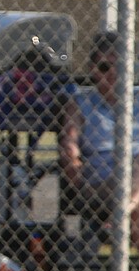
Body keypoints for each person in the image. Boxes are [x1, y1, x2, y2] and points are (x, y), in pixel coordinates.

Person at [58, 30, 139, 252]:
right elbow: (69, 143)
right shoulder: (82, 102)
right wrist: (76, 176)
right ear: (93, 70)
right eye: (104, 67)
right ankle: (124, 213)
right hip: (101, 180)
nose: (111, 73)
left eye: (118, 67)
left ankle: (122, 214)